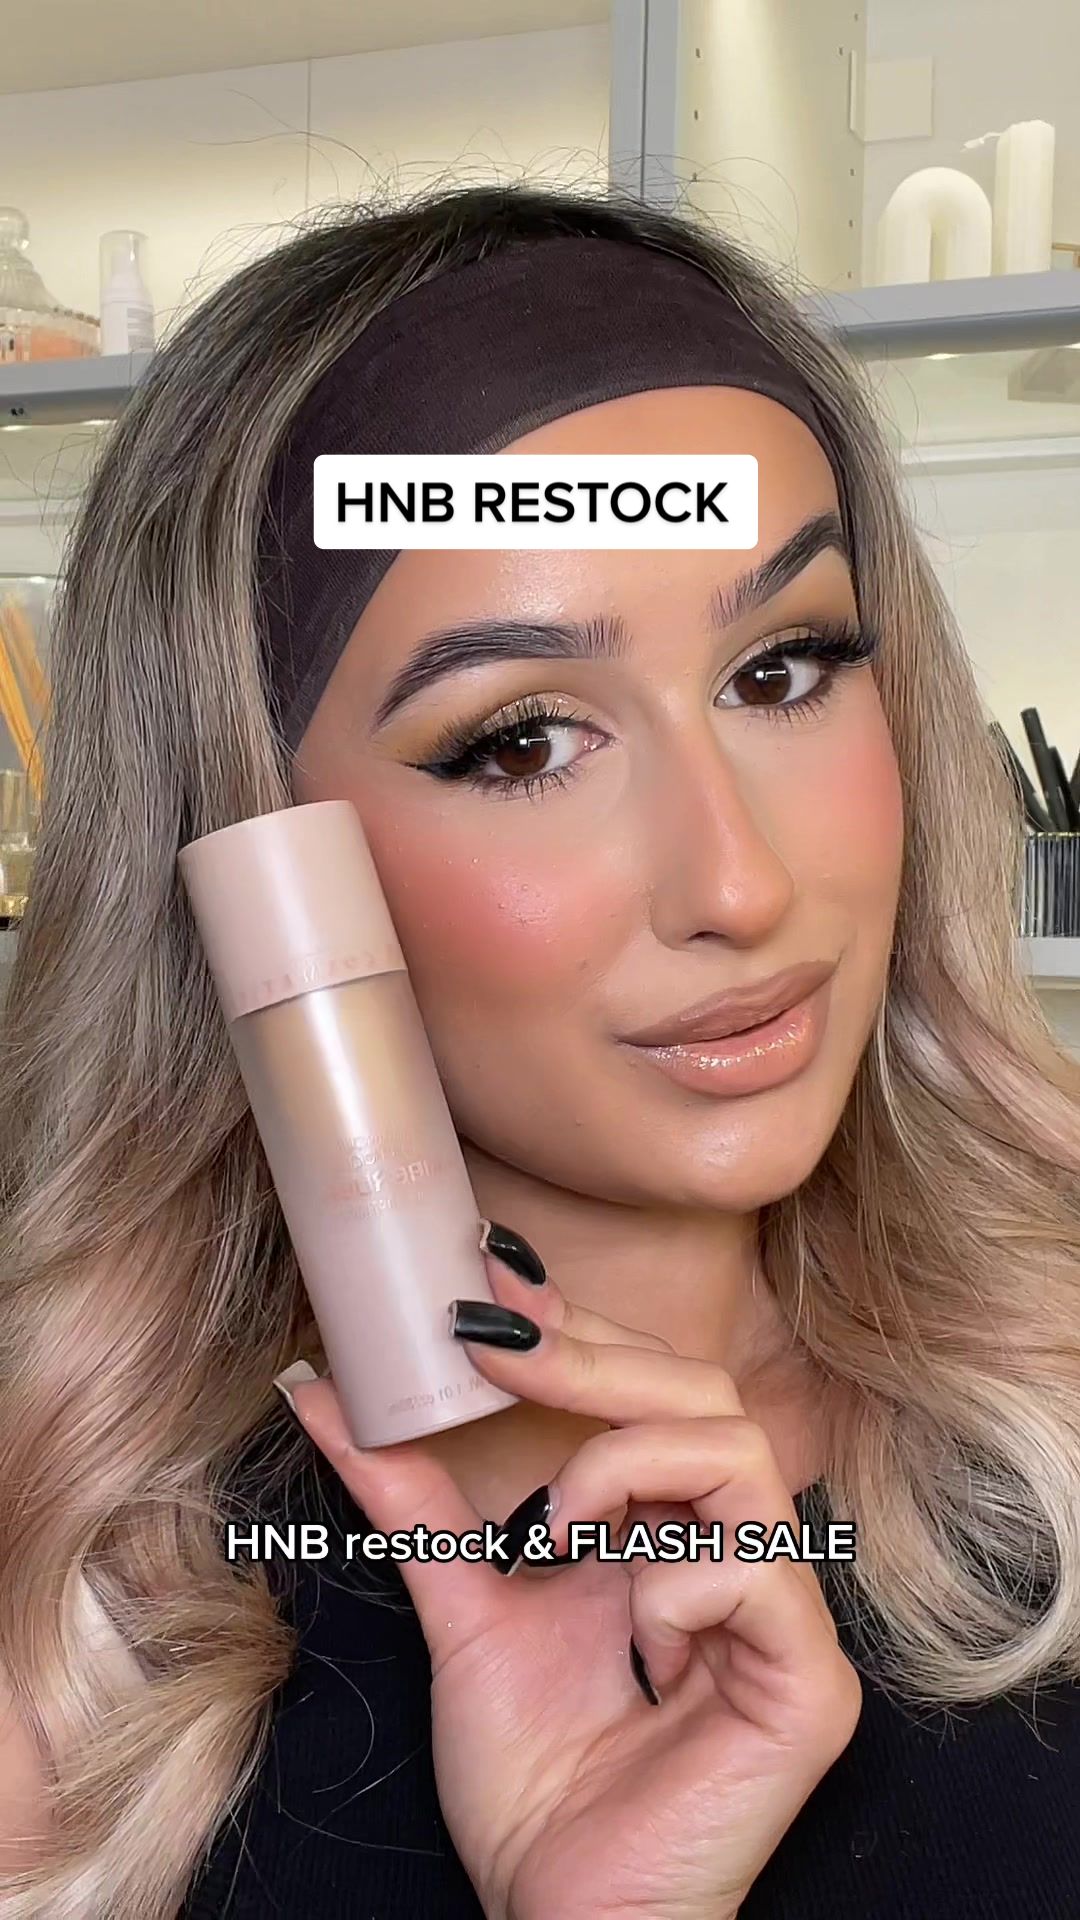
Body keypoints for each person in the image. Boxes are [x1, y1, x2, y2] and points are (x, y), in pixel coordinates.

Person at [1, 179, 1078, 1920]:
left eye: (785, 669)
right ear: (258, 867)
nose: (739, 882)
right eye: (519, 743)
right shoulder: (75, 1639)